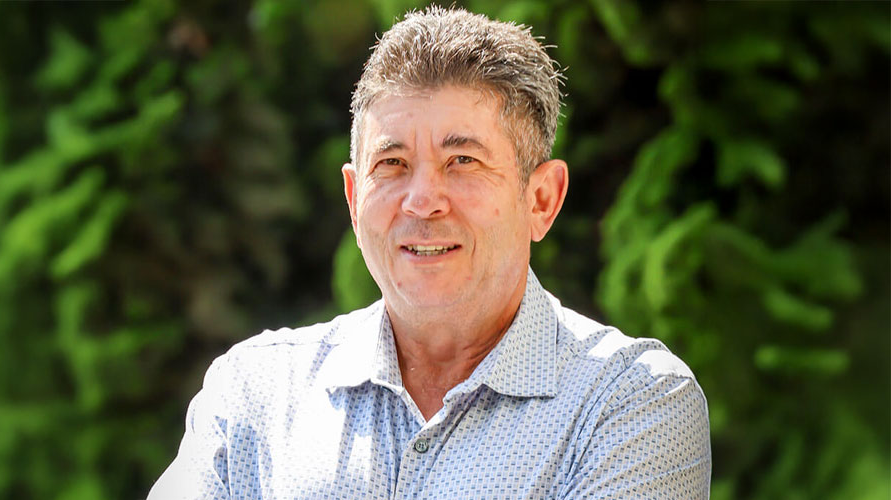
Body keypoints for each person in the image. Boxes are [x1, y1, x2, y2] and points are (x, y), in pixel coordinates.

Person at [149, 6, 711, 499]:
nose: (422, 201)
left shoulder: (633, 405)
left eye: (462, 161)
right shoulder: (256, 394)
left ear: (542, 199)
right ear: (352, 197)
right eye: (391, 164)